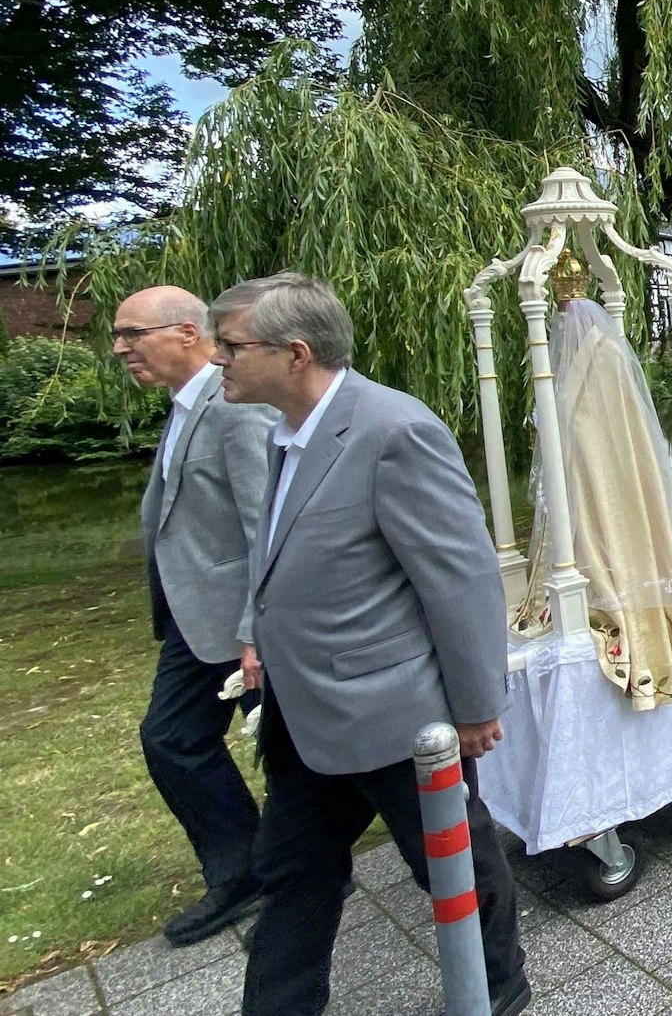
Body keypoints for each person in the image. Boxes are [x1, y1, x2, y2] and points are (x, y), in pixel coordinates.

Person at [211, 273, 529, 1016]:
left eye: (230, 346)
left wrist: (478, 703)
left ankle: (497, 990)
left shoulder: (392, 431)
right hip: (306, 714)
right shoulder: (283, 435)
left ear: (294, 353)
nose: (218, 359)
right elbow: (281, 555)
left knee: (455, 868)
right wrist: (258, 638)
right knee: (291, 872)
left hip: (395, 717)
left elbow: (460, 575)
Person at [113, 286, 276, 948]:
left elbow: (266, 524)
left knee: (300, 758)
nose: (120, 347)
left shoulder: (234, 408)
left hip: (236, 624)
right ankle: (249, 867)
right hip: (193, 617)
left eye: (132, 333)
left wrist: (254, 630)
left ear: (185, 332)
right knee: (176, 739)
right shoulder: (186, 406)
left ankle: (290, 866)